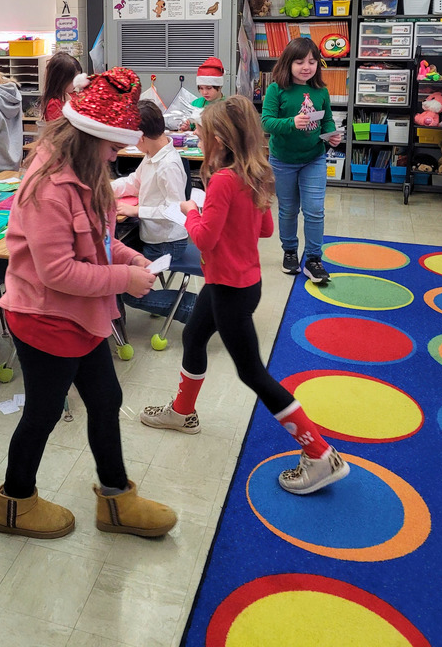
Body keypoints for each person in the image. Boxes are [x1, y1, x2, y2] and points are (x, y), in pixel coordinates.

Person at [0, 67, 177, 539]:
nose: (118, 155)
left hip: (78, 314)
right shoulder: (50, 186)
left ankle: (116, 501)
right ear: (91, 136)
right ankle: (13, 505)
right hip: (45, 317)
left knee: (106, 398)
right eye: (114, 147)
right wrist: (124, 278)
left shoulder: (87, 171)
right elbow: (58, 271)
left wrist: (132, 257)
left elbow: (99, 241)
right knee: (43, 412)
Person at [141, 96, 350, 496]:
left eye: (200, 131)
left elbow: (203, 237)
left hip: (230, 288)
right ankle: (183, 412)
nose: (196, 137)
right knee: (194, 335)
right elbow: (266, 230)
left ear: (217, 138)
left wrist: (190, 209)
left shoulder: (221, 180)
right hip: (238, 282)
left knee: (251, 372)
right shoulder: (255, 174)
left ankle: (320, 453)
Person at [261, 37, 342, 283]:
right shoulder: (276, 89)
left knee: (315, 210)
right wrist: (291, 122)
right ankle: (289, 252)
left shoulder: (321, 91)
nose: (306, 67)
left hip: (314, 158)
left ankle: (314, 259)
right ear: (288, 63)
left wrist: (331, 136)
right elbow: (266, 122)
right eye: (299, 62)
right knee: (288, 210)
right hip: (283, 160)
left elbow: (326, 120)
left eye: (312, 61)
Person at [111, 100, 195, 318]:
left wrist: (136, 210)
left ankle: (195, 307)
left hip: (167, 243)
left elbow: (175, 210)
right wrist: (106, 189)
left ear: (140, 137)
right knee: (121, 259)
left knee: (129, 291)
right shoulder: (152, 156)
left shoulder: (168, 164)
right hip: (154, 237)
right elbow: (134, 182)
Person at [180, 57, 225, 130]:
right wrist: (187, 127)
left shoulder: (226, 106)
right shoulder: (195, 104)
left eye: (209, 88)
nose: (204, 92)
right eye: (201, 88)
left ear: (219, 87)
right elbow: (192, 127)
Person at [39, 52, 81, 122]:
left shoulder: (72, 94)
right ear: (61, 80)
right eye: (73, 80)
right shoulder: (54, 104)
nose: (76, 83)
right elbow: (59, 129)